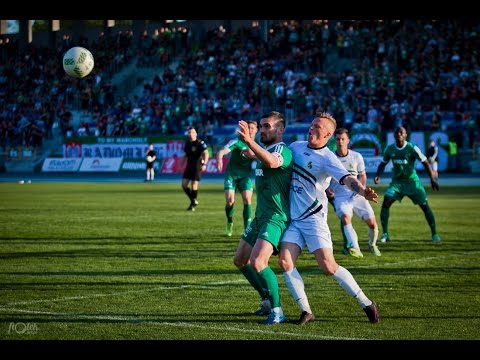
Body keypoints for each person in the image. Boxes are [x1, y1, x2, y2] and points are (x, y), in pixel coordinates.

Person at [278, 111, 381, 326]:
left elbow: (347, 179)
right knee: (285, 261)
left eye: (317, 126)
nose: (311, 128)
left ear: (327, 135)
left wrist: (363, 191)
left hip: (314, 220)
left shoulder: (327, 158)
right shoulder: (295, 147)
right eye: (312, 124)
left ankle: (366, 302)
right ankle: (306, 310)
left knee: (328, 267)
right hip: (295, 220)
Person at [233, 111, 293, 325]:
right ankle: (266, 301)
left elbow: (272, 162)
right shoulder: (265, 150)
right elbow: (262, 156)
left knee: (258, 262)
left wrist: (250, 142)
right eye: (262, 126)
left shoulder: (283, 150)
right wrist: (251, 151)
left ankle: (277, 311)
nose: (263, 130)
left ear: (280, 129)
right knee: (240, 260)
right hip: (260, 217)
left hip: (276, 217)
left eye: (267, 126)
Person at [374, 126, 441, 243]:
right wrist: (378, 175)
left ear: (405, 135)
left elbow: (425, 162)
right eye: (397, 132)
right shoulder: (389, 149)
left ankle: (435, 234)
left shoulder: (412, 148)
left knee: (425, 206)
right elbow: (383, 164)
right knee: (386, 202)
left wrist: (432, 178)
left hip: (412, 182)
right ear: (394, 135)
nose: (399, 134)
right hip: (397, 183)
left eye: (402, 132)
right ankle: (385, 234)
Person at [325, 128, 381, 257]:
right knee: (345, 218)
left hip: (357, 195)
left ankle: (372, 245)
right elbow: (324, 178)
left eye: (343, 139)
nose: (340, 142)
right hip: (340, 196)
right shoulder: (330, 158)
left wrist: (362, 190)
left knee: (372, 224)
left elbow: (362, 176)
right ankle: (355, 248)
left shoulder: (356, 156)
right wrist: (327, 189)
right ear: (335, 140)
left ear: (348, 140)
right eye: (338, 139)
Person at [216, 120, 258, 237]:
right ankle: (229, 221)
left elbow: (262, 158)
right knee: (230, 201)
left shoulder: (257, 145)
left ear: (256, 130)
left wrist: (253, 155)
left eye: (252, 128)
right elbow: (222, 151)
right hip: (232, 175)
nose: (249, 130)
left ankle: (247, 229)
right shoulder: (237, 141)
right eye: (248, 127)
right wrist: (219, 158)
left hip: (245, 176)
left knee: (247, 199)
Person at [181, 126, 209, 211]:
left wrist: (204, 164)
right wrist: (181, 164)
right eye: (189, 132)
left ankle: (192, 204)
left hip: (197, 166)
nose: (191, 134)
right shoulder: (187, 144)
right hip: (189, 166)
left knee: (194, 185)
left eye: (192, 132)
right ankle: (193, 200)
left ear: (196, 133)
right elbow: (185, 154)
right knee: (184, 184)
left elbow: (206, 153)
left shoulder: (200, 143)